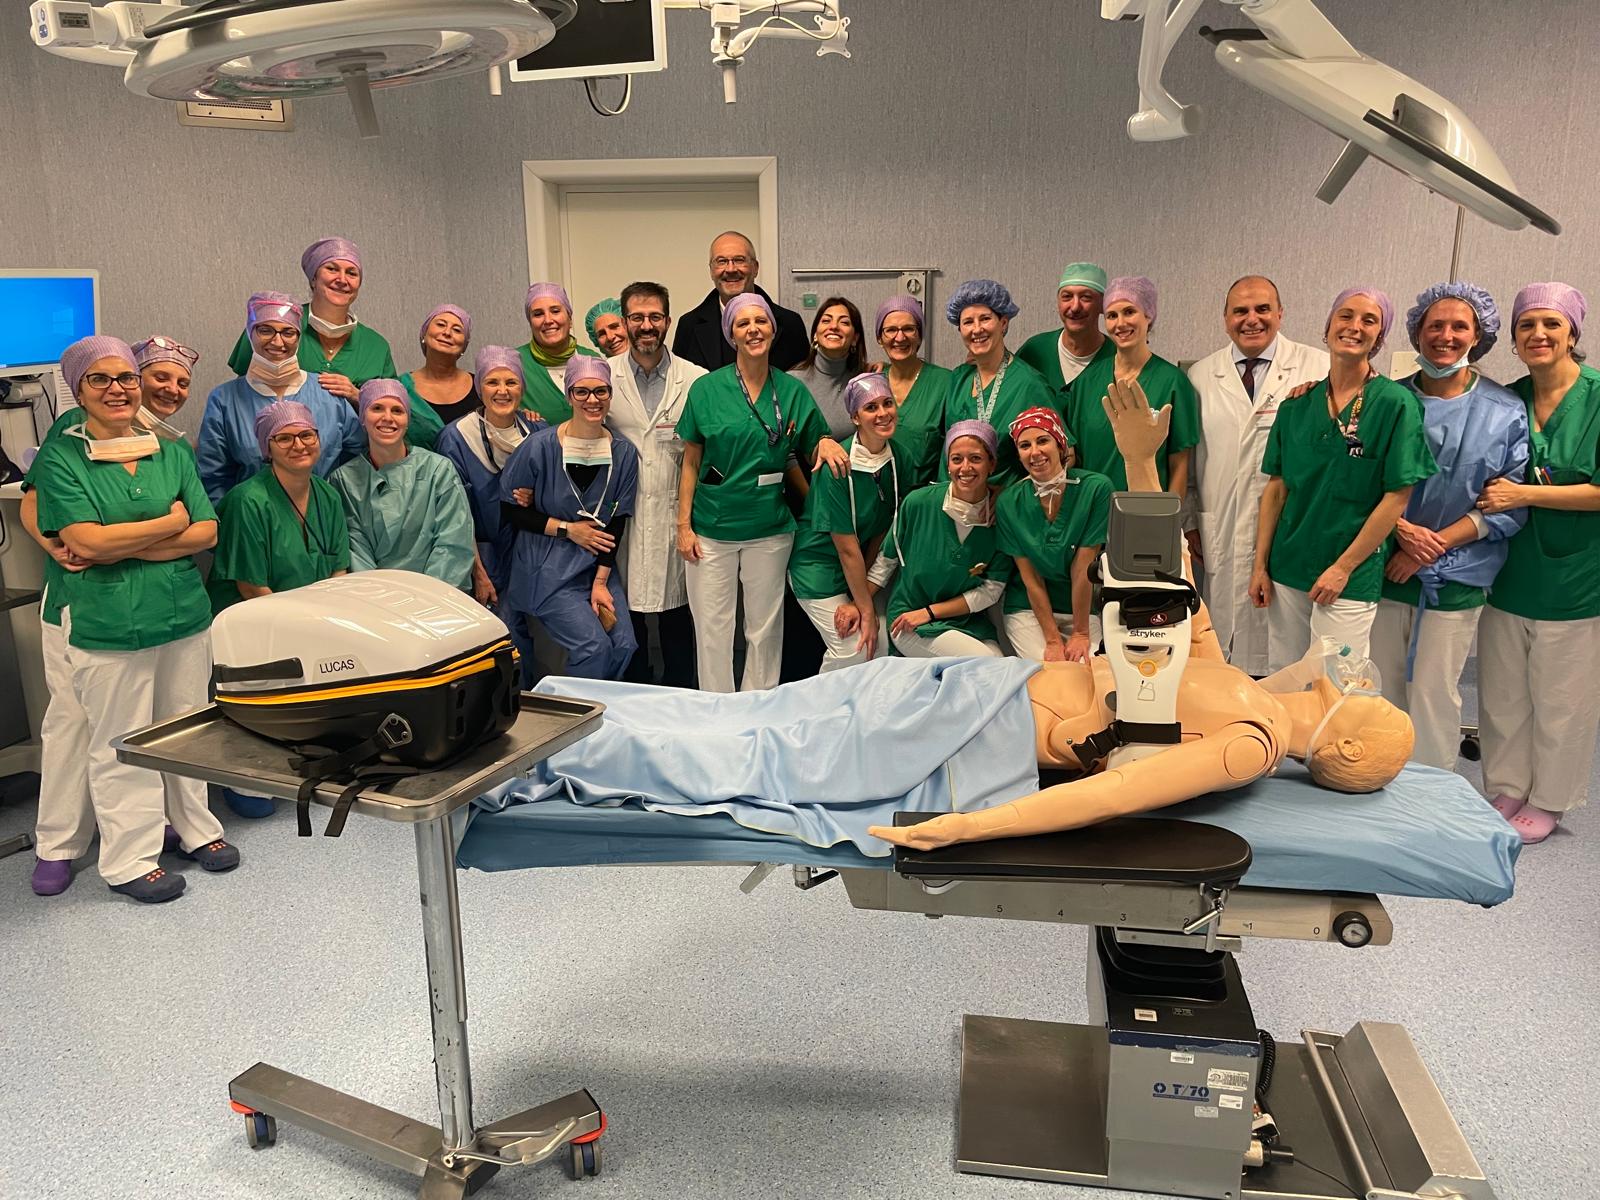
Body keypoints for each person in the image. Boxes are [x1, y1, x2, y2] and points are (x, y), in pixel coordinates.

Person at [509, 383, 1414, 858]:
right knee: (758, 715)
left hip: (968, 738)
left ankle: (556, 753)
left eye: (1369, 704)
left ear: (1345, 740)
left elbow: (1107, 796)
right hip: (971, 690)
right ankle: (564, 712)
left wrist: (962, 831)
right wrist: (1142, 464)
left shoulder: (1250, 741)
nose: (1356, 685)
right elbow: (1164, 583)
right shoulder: (1238, 685)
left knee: (763, 755)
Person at [27, 336, 237, 903]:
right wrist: (168, 524)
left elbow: (206, 530)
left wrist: (122, 544)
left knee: (186, 728)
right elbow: (83, 541)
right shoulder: (64, 449)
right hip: (102, 615)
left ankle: (194, 827)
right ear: (78, 388)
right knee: (107, 736)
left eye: (126, 378)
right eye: (100, 378)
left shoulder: (169, 450)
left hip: (180, 611)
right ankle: (113, 855)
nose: (118, 388)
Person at [1369, 283, 1527, 770]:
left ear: (1478, 336)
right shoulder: (1386, 400)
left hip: (1456, 574)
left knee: (1435, 692)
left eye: (1460, 326)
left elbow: (1506, 503)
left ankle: (1433, 792)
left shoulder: (1504, 411)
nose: (1446, 335)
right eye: (1435, 325)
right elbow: (1359, 482)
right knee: (1378, 687)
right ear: (1417, 332)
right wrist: (1401, 532)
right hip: (1383, 566)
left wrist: (1425, 548)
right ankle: (1375, 779)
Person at [1248, 287, 1436, 668]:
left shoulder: (1396, 405)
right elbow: (1276, 490)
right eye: (1345, 316)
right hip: (1289, 565)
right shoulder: (1296, 405)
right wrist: (1260, 566)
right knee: (1287, 678)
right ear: (1328, 327)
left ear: (1379, 337)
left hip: (1350, 574)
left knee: (1338, 683)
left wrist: (1342, 568)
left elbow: (1397, 497)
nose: (1355, 326)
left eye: (1369, 321)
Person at [1476, 282, 1600, 843]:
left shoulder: (1596, 399)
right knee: (1503, 694)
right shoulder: (1507, 400)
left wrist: (1524, 493)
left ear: (1573, 333)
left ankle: (1550, 799)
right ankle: (1507, 785)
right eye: (1526, 324)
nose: (1538, 334)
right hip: (1508, 572)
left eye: (1552, 324)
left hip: (1574, 579)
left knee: (1562, 699)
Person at [676, 292, 849, 692]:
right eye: (743, 323)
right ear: (731, 334)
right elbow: (690, 461)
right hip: (712, 527)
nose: (753, 330)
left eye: (761, 322)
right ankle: (717, 708)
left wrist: (825, 443)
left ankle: (759, 704)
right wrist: (683, 526)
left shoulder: (791, 390)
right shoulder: (706, 389)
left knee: (765, 628)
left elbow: (814, 440)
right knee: (713, 629)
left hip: (769, 527)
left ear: (773, 330)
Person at [1186, 276, 1328, 674]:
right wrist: (1190, 522)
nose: (1252, 319)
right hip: (1221, 528)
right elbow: (1190, 462)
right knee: (1224, 658)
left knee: (1289, 658)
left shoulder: (1319, 367)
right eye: (1240, 311)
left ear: (1280, 314)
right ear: (1225, 319)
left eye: (1262, 309)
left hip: (1292, 531)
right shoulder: (1200, 376)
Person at [499, 357, 639, 680]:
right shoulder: (539, 448)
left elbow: (617, 521)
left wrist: (601, 582)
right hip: (547, 566)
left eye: (601, 391)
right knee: (593, 649)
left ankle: (599, 703)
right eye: (582, 391)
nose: (592, 400)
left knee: (624, 646)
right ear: (569, 395)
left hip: (596, 567)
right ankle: (574, 708)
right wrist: (568, 530)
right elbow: (510, 510)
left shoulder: (624, 453)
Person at [604, 282, 707, 688]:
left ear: (667, 320)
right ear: (625, 322)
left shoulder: (695, 379)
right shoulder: (604, 377)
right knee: (628, 620)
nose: (646, 325)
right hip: (622, 517)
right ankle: (635, 694)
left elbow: (704, 450)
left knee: (678, 615)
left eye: (654, 317)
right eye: (637, 317)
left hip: (676, 512)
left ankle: (681, 694)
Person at [789, 372, 915, 671]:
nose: (883, 413)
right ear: (855, 417)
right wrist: (866, 611)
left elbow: (882, 530)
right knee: (856, 647)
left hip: (860, 565)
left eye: (887, 403)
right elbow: (846, 548)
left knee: (881, 644)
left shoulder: (900, 459)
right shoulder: (836, 466)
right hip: (817, 566)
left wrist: (863, 597)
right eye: (871, 407)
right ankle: (820, 701)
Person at [197, 292, 365, 503]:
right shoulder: (225, 400)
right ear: (250, 333)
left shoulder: (328, 392)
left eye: (288, 332)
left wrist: (332, 506)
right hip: (251, 516)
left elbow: (358, 461)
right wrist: (235, 517)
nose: (277, 341)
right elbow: (213, 478)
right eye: (265, 330)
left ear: (299, 337)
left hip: (322, 514)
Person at [868, 420, 1013, 657]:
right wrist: (859, 607)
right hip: (910, 620)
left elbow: (990, 590)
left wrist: (931, 612)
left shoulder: (1002, 519)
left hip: (966, 620)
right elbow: (885, 563)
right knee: (986, 663)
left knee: (999, 663)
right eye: (956, 459)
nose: (965, 467)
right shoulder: (918, 504)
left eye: (975, 458)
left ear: (992, 464)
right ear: (947, 464)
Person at [436, 347, 542, 644]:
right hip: (484, 557)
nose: (502, 391)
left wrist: (536, 496)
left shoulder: (537, 432)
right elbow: (455, 516)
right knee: (505, 635)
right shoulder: (456, 438)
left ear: (522, 388)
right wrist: (479, 573)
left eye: (511, 382)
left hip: (531, 553)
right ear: (479, 387)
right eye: (492, 382)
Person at [208, 400, 351, 613]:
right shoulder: (247, 502)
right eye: (284, 438)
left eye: (306, 435)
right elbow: (252, 589)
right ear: (268, 449)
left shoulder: (329, 497)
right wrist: (305, 622)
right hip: (250, 619)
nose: (299, 445)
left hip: (315, 616)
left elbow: (339, 571)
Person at [330, 379, 475, 589]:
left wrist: (427, 596)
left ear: (407, 420)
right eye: (377, 408)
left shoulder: (438, 471)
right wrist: (381, 598)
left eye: (397, 410)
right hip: (370, 598)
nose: (388, 418)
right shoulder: (344, 480)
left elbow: (453, 544)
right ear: (362, 417)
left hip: (434, 597)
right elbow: (354, 551)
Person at [1063, 275, 1199, 494]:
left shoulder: (1173, 382)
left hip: (1146, 507)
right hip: (1093, 507)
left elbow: (1179, 467)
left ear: (1148, 315)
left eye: (1129, 312)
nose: (1120, 323)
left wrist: (1169, 515)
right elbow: (1076, 458)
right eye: (1112, 315)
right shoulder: (1085, 382)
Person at [996, 407, 1111, 661]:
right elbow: (1031, 579)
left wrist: (1080, 633)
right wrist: (1052, 640)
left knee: (1089, 666)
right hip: (1028, 610)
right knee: (1050, 669)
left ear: (1060, 445)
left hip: (1080, 610)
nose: (1034, 452)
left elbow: (1083, 567)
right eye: (1025, 445)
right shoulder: (1009, 503)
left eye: (1042, 441)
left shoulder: (1095, 489)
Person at [225, 237, 397, 401]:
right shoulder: (271, 324)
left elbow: (394, 410)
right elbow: (242, 397)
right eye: (332, 269)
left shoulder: (376, 347)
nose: (342, 280)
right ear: (313, 278)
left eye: (351, 273)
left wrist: (359, 397)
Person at [940, 280, 1060, 490]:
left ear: (1003, 323)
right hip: (954, 498)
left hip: (1002, 503)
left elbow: (1065, 454)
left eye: (985, 319)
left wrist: (1012, 495)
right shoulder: (958, 378)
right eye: (968, 322)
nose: (977, 329)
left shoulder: (1028, 384)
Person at [672, 231, 809, 372]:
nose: (730, 269)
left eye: (739, 260)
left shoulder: (790, 324)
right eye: (722, 261)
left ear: (755, 268)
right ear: (711, 271)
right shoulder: (689, 326)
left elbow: (802, 379)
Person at [874, 296, 953, 485]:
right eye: (891, 330)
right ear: (879, 338)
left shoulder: (945, 382)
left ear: (919, 335)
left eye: (908, 329)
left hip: (925, 495)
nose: (900, 337)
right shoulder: (872, 382)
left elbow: (955, 448)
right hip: (877, 493)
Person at [1017, 262, 1113, 393]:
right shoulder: (1034, 351)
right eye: (1067, 297)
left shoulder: (1117, 358)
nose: (1075, 307)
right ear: (1058, 302)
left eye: (1086, 297)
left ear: (1103, 304)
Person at [517, 282, 603, 427]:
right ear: (530, 323)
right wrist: (516, 416)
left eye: (555, 311)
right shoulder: (516, 363)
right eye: (538, 314)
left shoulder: (591, 359)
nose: (548, 320)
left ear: (570, 319)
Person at [790, 297, 869, 438]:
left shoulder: (865, 382)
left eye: (844, 322)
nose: (834, 326)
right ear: (815, 335)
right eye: (826, 320)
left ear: (855, 338)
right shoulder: (792, 382)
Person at [400, 303, 478, 446]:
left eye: (457, 330)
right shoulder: (401, 387)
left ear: (464, 345)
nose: (447, 332)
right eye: (441, 324)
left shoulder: (481, 387)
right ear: (424, 334)